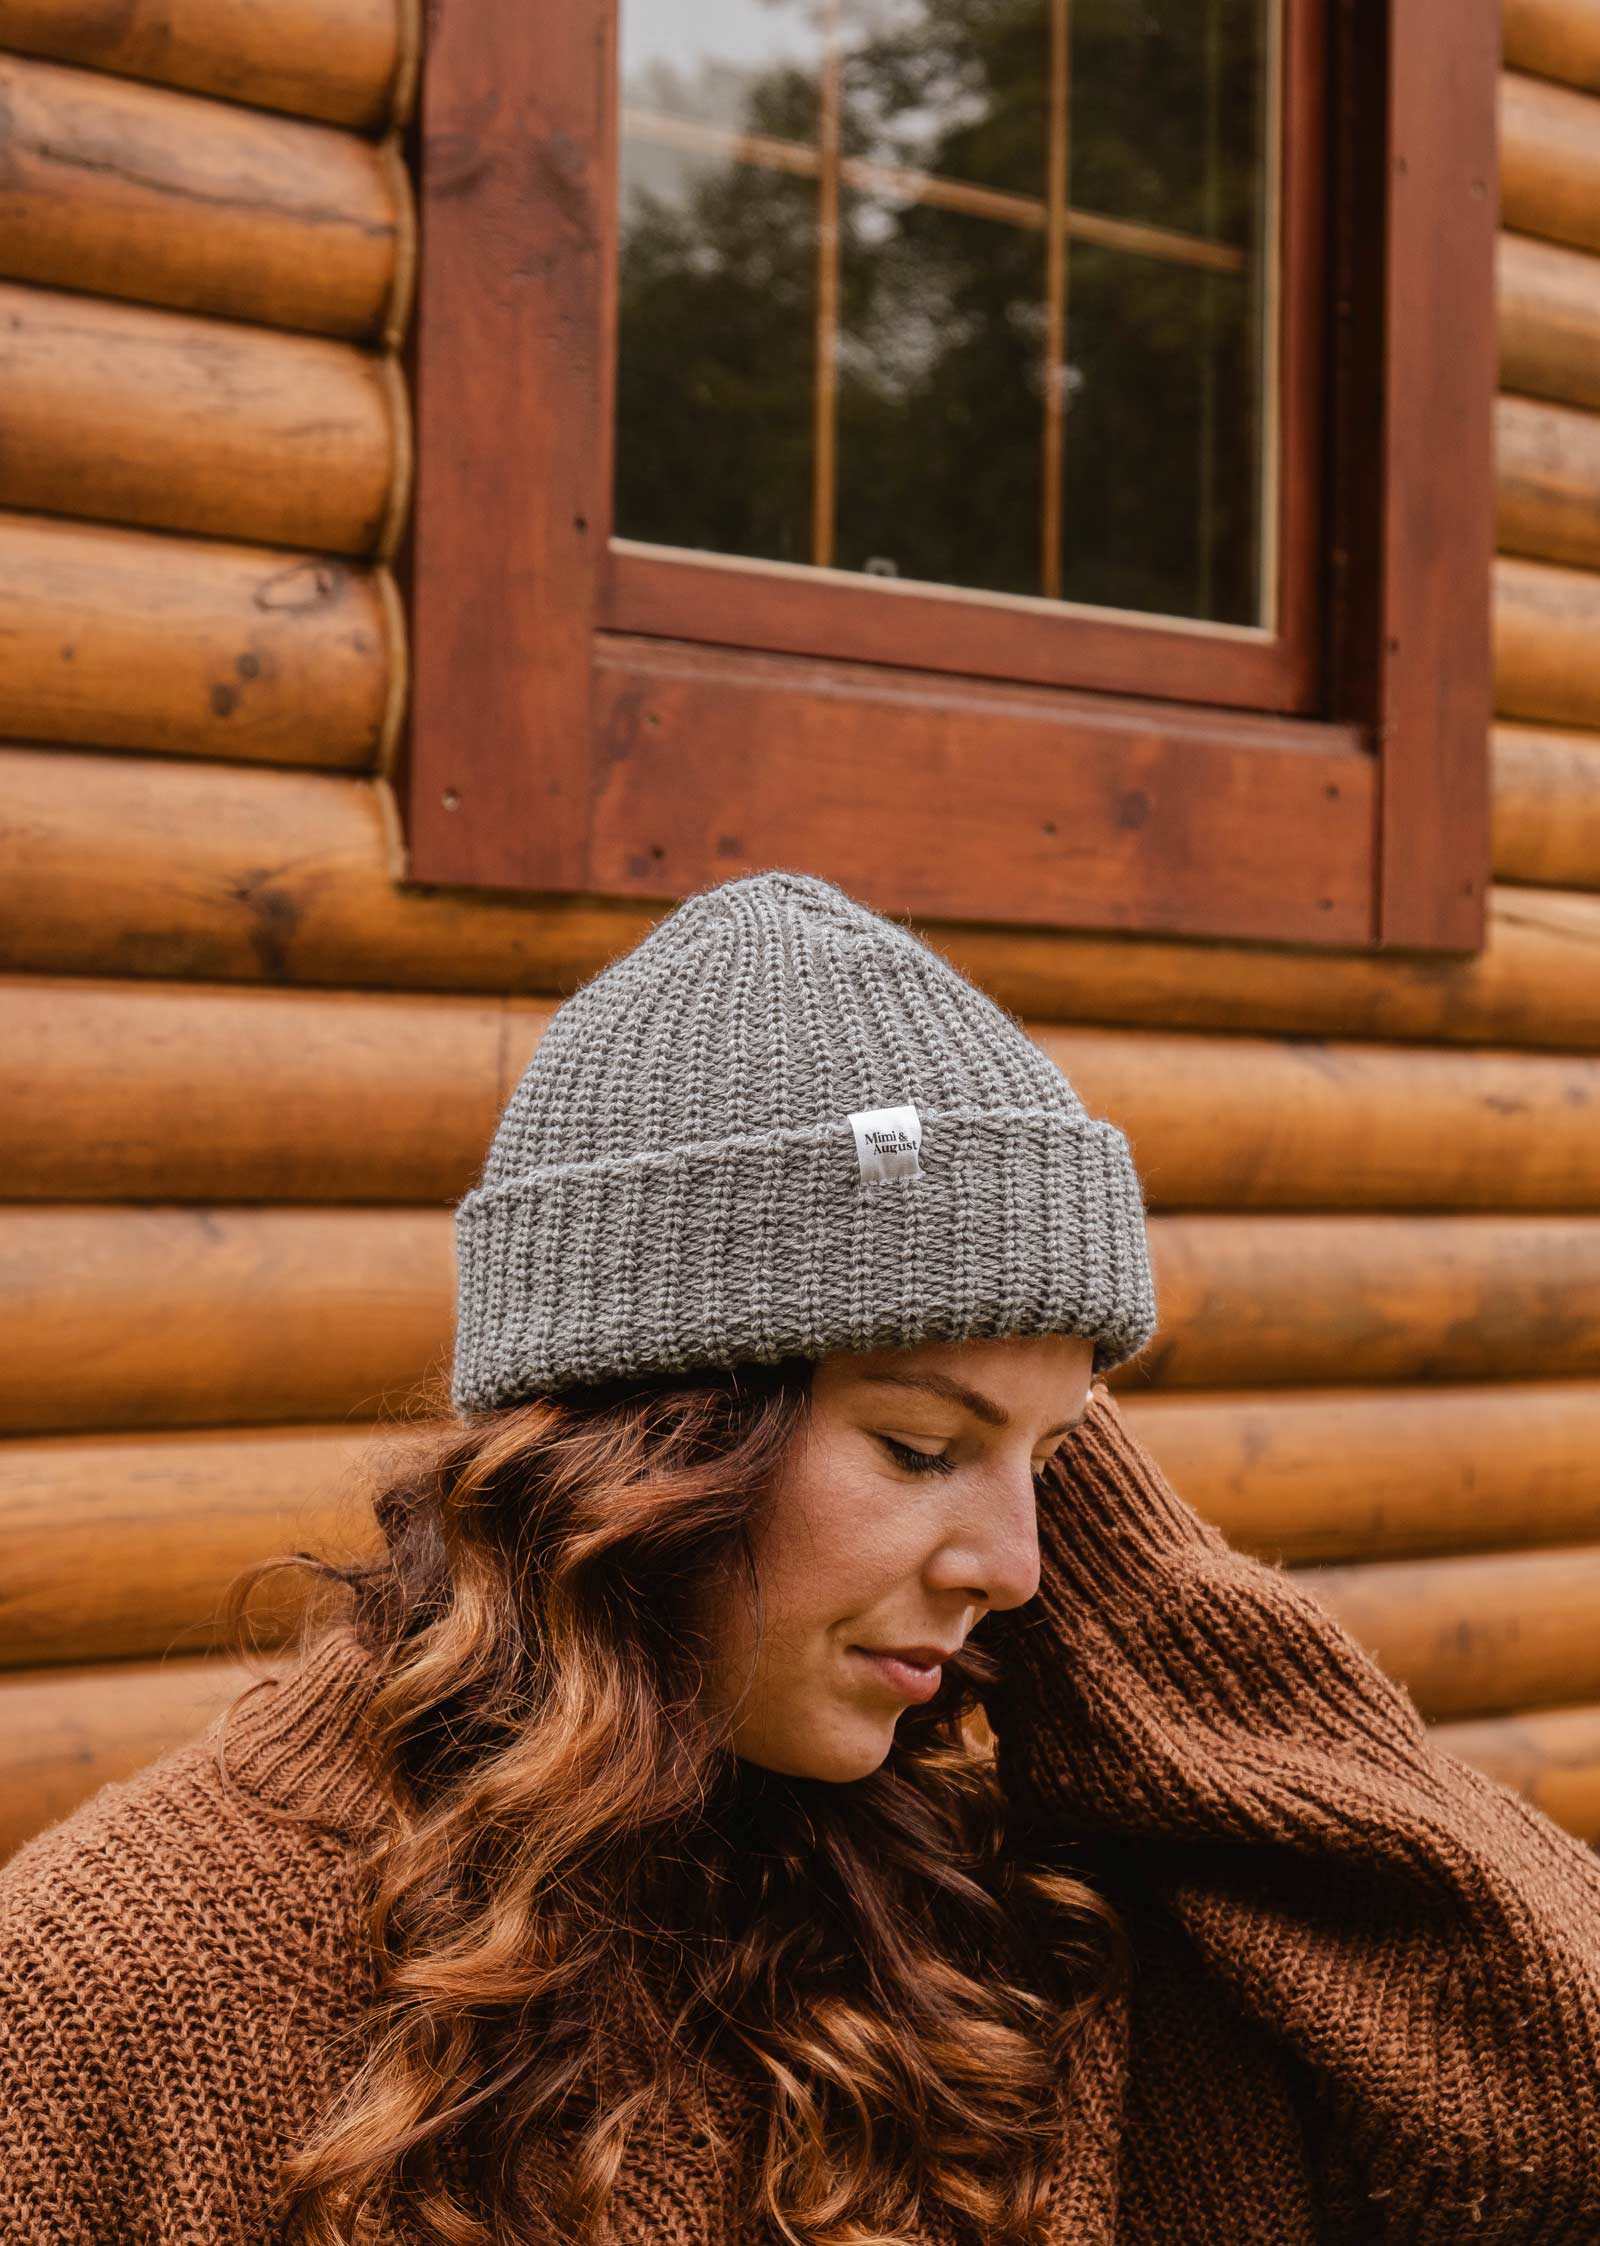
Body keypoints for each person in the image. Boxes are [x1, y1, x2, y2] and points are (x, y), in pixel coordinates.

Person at [3, 867, 1599, 2246]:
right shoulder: (112, 1984)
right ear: (653, 1438)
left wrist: (1121, 1573)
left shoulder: (1016, 1922)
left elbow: (1556, 2098)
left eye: (1061, 1462)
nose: (1022, 1569)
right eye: (918, 1443)